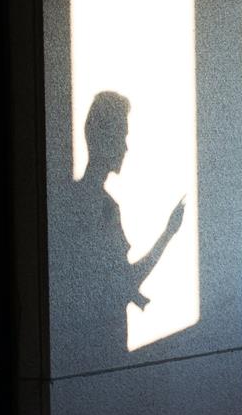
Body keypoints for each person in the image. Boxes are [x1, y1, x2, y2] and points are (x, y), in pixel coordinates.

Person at [76, 91, 184, 350]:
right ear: (105, 138)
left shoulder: (89, 200)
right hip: (104, 346)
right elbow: (125, 281)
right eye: (122, 135)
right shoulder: (102, 206)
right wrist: (169, 233)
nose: (126, 146)